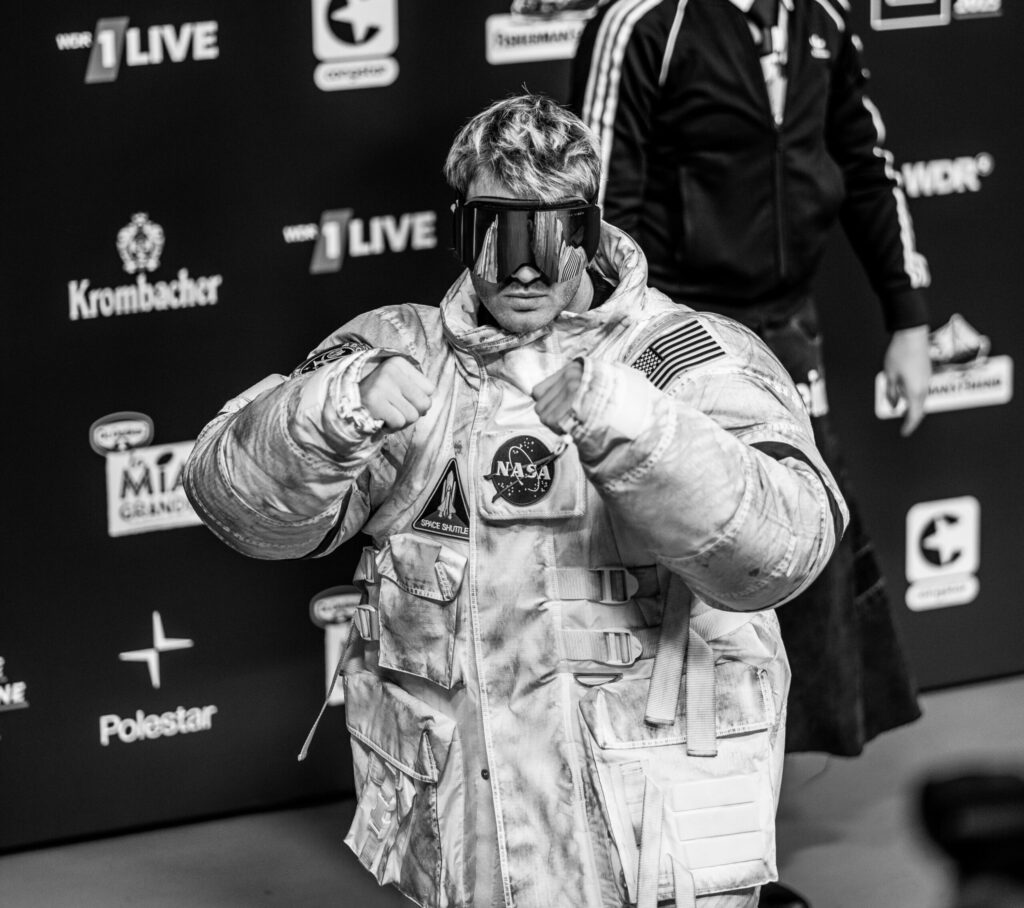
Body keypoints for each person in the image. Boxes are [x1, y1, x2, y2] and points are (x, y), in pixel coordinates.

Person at [184, 94, 846, 908]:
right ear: (462, 230)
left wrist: (635, 428)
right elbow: (234, 504)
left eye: (550, 233)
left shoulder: (687, 359)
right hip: (475, 852)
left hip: (654, 853)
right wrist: (335, 409)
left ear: (590, 230)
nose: (523, 268)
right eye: (495, 231)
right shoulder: (406, 356)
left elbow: (786, 550)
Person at [570, 0, 928, 756]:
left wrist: (908, 318)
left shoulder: (821, 17)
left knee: (802, 553)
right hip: (676, 334)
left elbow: (865, 166)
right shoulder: (641, 24)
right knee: (685, 578)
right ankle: (676, 796)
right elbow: (596, 205)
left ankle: (769, 796)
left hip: (788, 329)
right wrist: (627, 338)